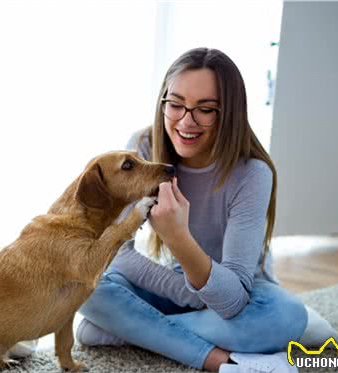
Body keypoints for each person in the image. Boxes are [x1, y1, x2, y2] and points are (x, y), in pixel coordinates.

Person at [75, 48, 308, 373]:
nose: (186, 121)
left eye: (206, 109)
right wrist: (193, 296)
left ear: (229, 113)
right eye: (176, 104)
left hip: (242, 295)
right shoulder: (142, 149)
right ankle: (218, 360)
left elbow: (233, 299)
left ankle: (127, 330)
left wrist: (178, 237)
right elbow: (114, 252)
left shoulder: (252, 173)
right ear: (163, 101)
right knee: (85, 284)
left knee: (288, 317)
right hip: (184, 286)